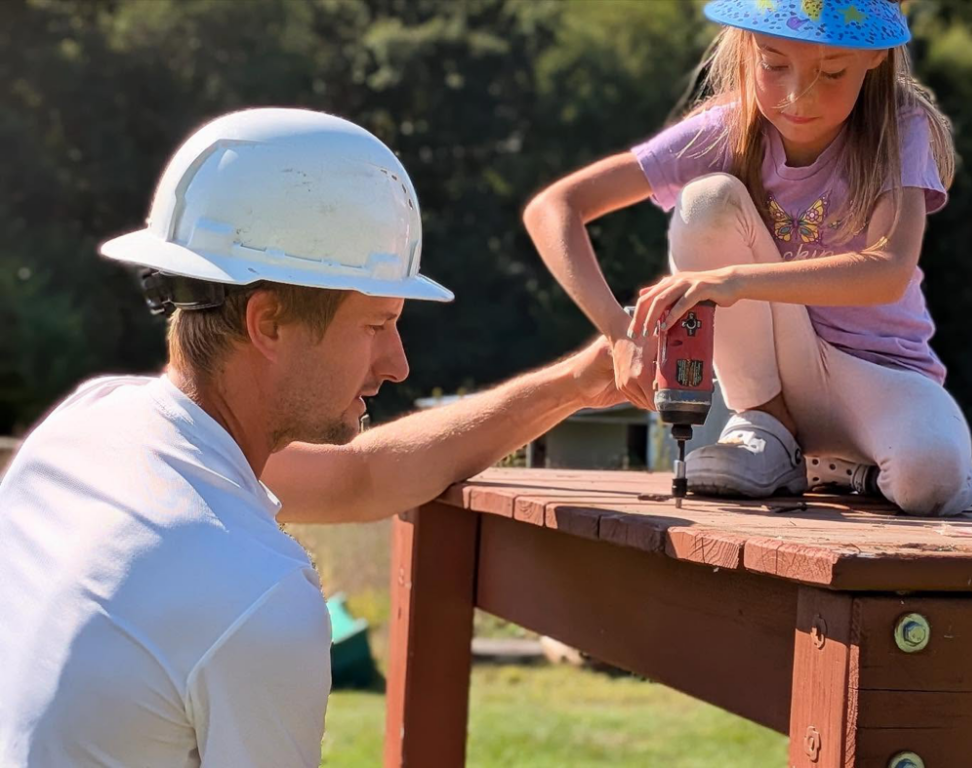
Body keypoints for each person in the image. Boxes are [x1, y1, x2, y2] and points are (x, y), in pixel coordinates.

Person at [0, 108, 621, 767]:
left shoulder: (87, 428)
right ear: (268, 323)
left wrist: (579, 384)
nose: (398, 363)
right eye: (376, 325)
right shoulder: (256, 594)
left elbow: (363, 478)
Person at [523, 0, 972, 516]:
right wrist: (619, 333)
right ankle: (766, 424)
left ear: (874, 55)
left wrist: (734, 280)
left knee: (931, 483)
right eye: (774, 63)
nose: (796, 96)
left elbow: (888, 271)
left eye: (831, 72)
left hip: (879, 375)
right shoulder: (725, 130)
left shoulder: (899, 127)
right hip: (772, 376)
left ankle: (845, 471)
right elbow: (554, 207)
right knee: (707, 201)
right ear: (746, 47)